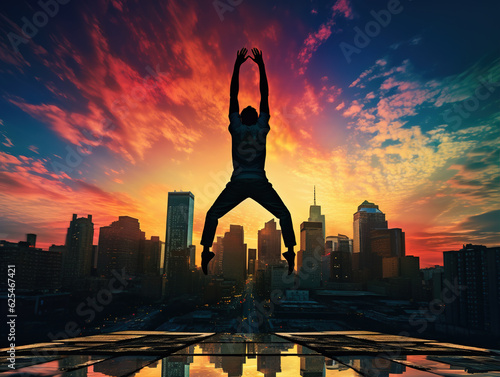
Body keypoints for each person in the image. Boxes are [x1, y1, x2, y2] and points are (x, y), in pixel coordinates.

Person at [200, 48, 296, 275]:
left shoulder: (237, 128)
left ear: (242, 117)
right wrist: (261, 66)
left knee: (212, 214)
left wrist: (237, 65)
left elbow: (233, 96)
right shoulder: (262, 128)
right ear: (255, 117)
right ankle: (290, 251)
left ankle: (205, 251)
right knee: (285, 215)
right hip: (259, 182)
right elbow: (265, 96)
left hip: (239, 182)